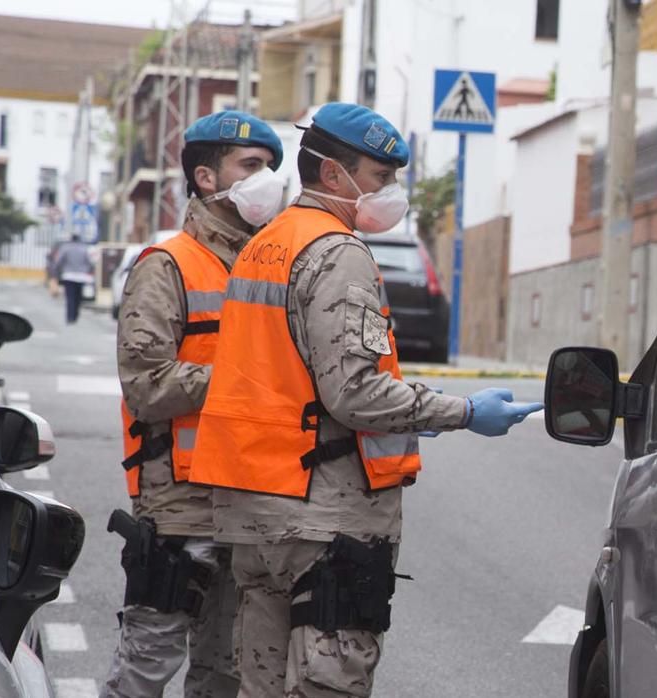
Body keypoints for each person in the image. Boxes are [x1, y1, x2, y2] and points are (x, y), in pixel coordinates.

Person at [188, 103, 542, 697]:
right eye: (381, 178)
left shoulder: (264, 243)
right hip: (319, 516)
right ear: (334, 176)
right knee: (330, 683)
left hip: (255, 507)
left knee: (262, 688)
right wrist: (464, 412)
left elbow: (285, 373)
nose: (391, 193)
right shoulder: (336, 251)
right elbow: (354, 392)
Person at [103, 110, 286, 698]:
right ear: (208, 178)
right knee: (146, 666)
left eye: (272, 168)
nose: (268, 181)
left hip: (253, 501)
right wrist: (244, 376)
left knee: (227, 673)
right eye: (252, 166)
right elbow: (147, 385)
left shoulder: (272, 267)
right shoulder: (167, 265)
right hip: (181, 502)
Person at [52, 233, 93, 323]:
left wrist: (56, 271)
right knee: (78, 298)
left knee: (70, 297)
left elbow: (58, 261)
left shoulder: (66, 248)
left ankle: (70, 317)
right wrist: (88, 270)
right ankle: (75, 316)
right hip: (81, 277)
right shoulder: (84, 248)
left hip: (68, 276)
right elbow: (89, 262)